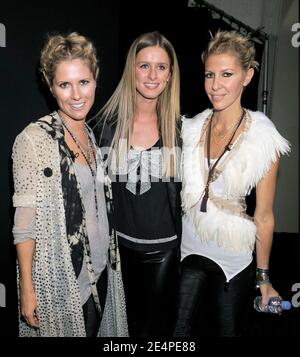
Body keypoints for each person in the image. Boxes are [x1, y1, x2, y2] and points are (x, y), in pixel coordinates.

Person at [174, 30, 290, 337]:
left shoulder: (263, 138)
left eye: (226, 74)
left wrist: (263, 277)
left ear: (247, 76)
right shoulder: (191, 128)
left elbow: (264, 215)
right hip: (188, 248)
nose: (215, 85)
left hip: (233, 257)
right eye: (209, 74)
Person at [12, 32, 127, 337]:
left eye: (83, 82)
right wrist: (27, 287)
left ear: (95, 79)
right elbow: (24, 224)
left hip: (102, 270)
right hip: (65, 280)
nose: (76, 95)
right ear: (51, 87)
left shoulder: (90, 134)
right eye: (65, 84)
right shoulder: (33, 140)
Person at [93, 30, 182, 337]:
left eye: (161, 67)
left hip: (164, 253)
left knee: (152, 334)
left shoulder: (182, 130)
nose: (152, 75)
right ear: (132, 70)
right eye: (144, 65)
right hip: (117, 251)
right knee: (118, 332)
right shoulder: (104, 125)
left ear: (170, 75)